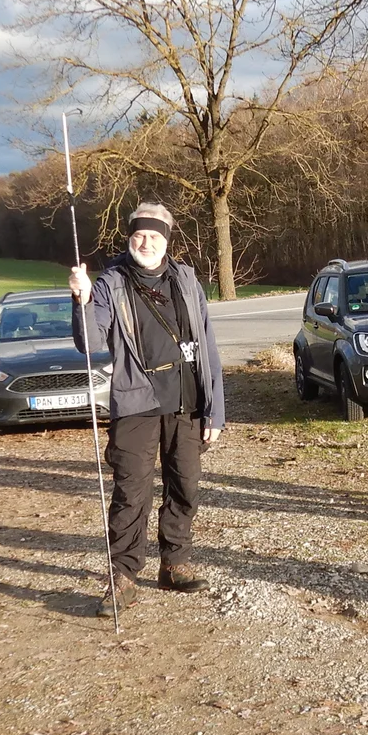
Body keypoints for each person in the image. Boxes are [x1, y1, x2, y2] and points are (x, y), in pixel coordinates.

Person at [69, 202, 226, 614]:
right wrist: (82, 300)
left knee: (185, 486)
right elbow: (90, 343)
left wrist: (216, 409)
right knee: (130, 492)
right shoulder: (110, 283)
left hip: (187, 401)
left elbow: (207, 346)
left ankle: (174, 563)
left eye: (155, 236)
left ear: (167, 240)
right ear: (129, 237)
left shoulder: (186, 279)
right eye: (140, 235)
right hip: (136, 402)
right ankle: (122, 578)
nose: (146, 242)